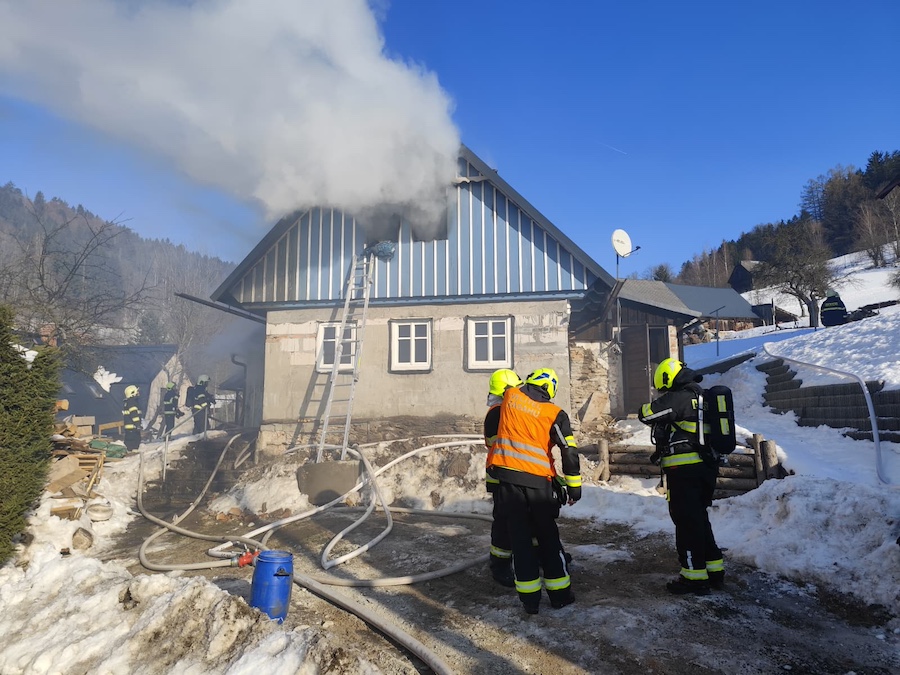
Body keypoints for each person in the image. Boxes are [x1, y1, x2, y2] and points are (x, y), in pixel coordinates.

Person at [488, 367, 582, 614]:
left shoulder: (511, 397)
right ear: (551, 390)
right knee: (548, 537)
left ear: (529, 380)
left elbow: (499, 395)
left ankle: (530, 602)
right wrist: (574, 487)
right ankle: (560, 595)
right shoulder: (555, 413)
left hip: (509, 482)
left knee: (520, 540)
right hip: (539, 484)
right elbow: (569, 450)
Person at [637, 358, 724, 596]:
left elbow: (646, 414)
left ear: (667, 378)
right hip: (705, 469)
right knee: (699, 519)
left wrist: (656, 404)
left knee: (686, 523)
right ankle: (714, 570)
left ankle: (693, 578)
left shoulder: (681, 397)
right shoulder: (703, 397)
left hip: (685, 471)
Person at [483, 368, 523, 587]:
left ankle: (540, 556)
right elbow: (499, 443)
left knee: (526, 518)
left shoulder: (504, 410)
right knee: (503, 523)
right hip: (501, 476)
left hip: (512, 474)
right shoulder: (498, 413)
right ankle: (500, 566)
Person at [122, 385, 143, 452]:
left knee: (131, 444)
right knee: (133, 444)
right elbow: (134, 414)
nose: (138, 393)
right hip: (132, 428)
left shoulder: (129, 402)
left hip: (130, 428)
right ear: (132, 393)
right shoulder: (132, 402)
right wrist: (137, 424)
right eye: (136, 392)